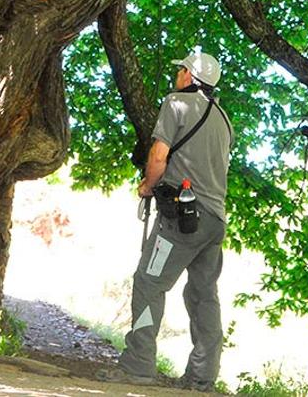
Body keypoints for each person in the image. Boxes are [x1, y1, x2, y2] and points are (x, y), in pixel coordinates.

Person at [99, 49, 233, 391]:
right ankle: (202, 377)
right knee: (204, 295)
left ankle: (138, 365)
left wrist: (147, 186)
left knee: (149, 282)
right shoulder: (223, 119)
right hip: (215, 221)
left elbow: (159, 156)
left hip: (182, 219)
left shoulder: (177, 103)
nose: (178, 76)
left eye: (181, 71)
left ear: (190, 76)